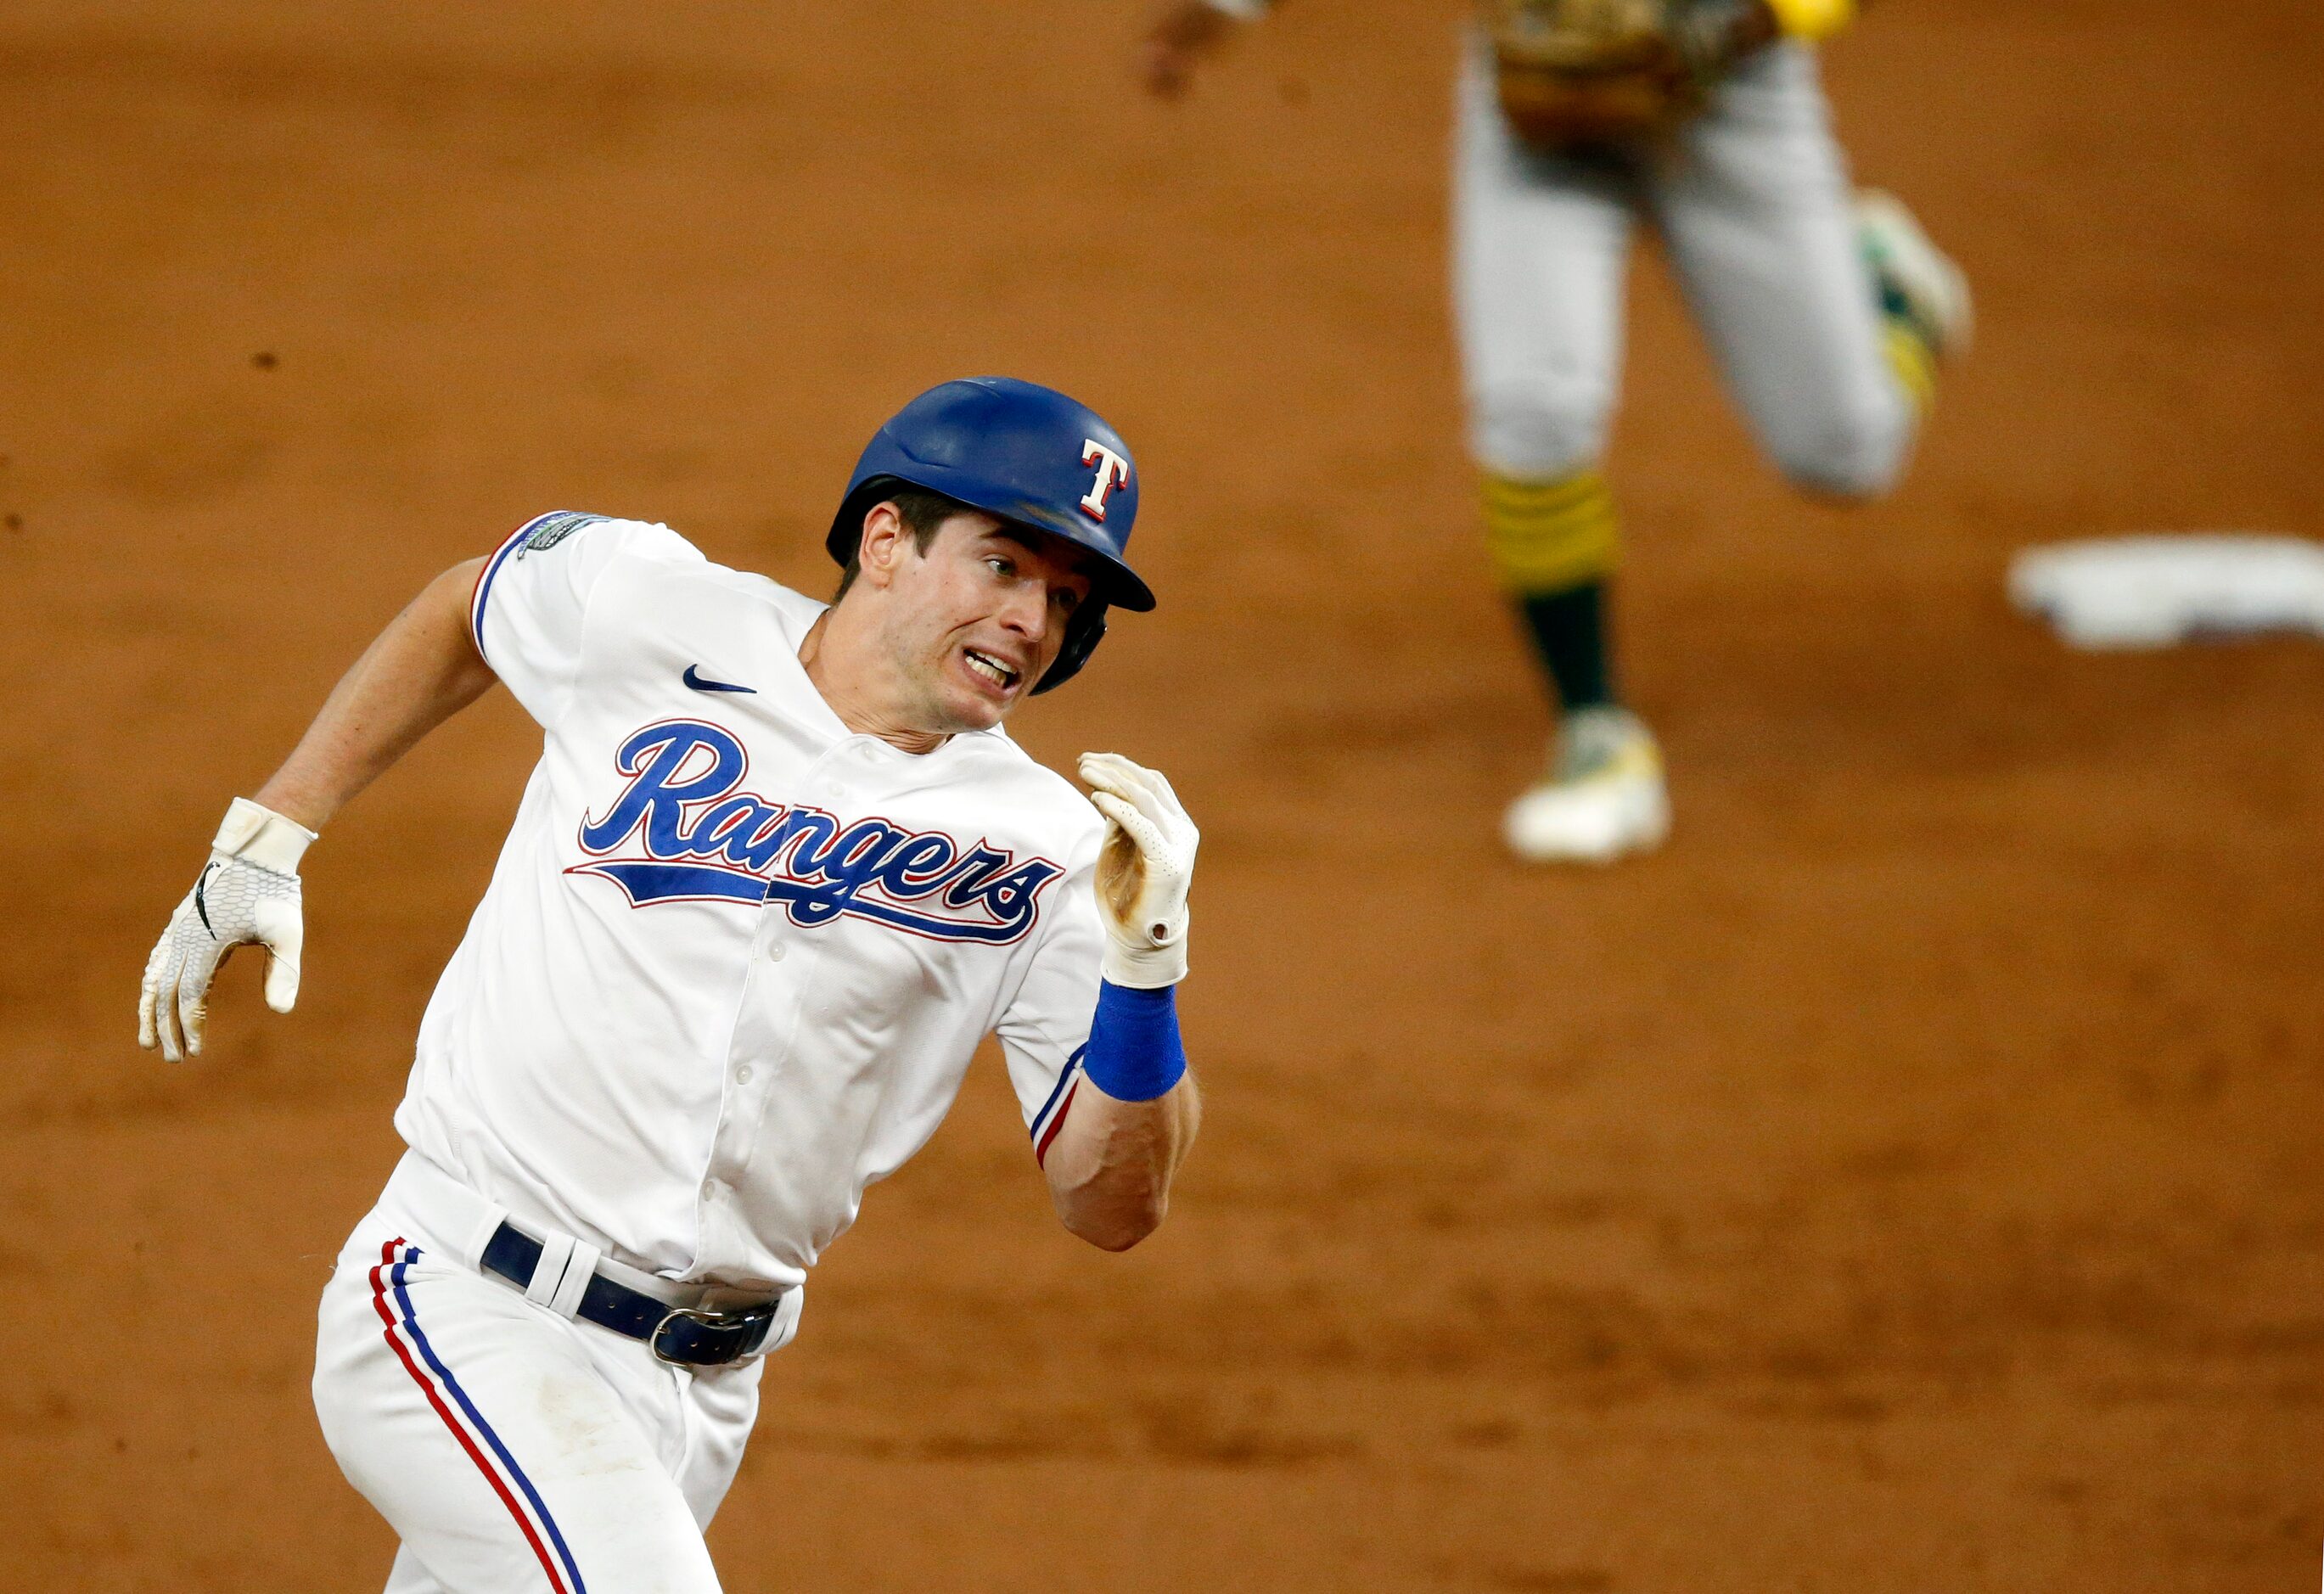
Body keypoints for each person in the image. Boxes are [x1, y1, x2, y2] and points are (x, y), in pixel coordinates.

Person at [136, 376, 1203, 1593]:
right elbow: (469, 604)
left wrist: (1143, 967)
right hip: (464, 1302)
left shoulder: (1053, 850)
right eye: (1007, 565)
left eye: (1067, 599)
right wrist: (268, 834)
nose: (1033, 619)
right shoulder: (652, 608)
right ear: (887, 539)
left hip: (697, 1399)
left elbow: (1108, 1204)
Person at [1140, 0, 1970, 862]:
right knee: (1530, 413)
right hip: (1534, 95)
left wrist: (1741, 24)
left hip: (1730, 95)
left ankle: (1891, 298)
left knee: (1841, 453)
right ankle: (1595, 737)